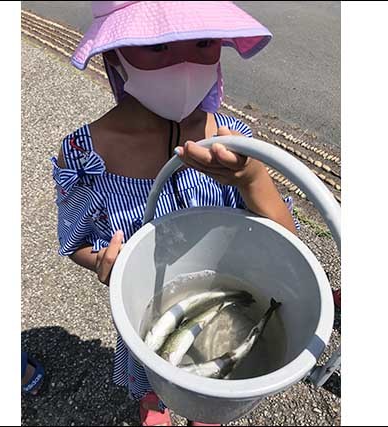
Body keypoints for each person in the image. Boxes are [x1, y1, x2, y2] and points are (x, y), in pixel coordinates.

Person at [52, 2, 297, 425]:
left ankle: (205, 402)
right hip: (147, 310)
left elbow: (288, 242)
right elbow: (75, 241)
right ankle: (154, 399)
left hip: (224, 306)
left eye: (203, 43)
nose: (183, 64)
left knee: (216, 366)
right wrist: (103, 262)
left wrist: (252, 177)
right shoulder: (85, 155)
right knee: (152, 362)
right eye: (159, 46)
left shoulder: (234, 144)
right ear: (116, 54)